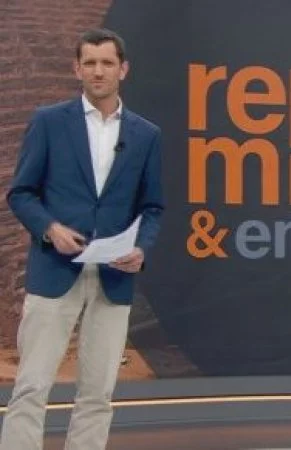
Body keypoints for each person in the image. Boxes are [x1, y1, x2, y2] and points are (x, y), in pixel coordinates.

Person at [0, 28, 163, 450]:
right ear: (77, 69)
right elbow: (21, 193)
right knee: (31, 387)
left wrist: (140, 249)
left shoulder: (146, 135)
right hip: (54, 270)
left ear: (123, 70)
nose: (98, 71)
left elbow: (152, 208)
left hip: (114, 276)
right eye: (89, 63)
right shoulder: (49, 122)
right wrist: (50, 228)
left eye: (107, 63)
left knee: (97, 395)